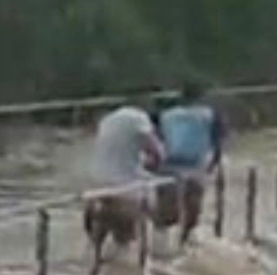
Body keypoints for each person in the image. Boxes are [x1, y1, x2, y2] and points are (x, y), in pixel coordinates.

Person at [83, 97, 164, 255]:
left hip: (97, 186)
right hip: (125, 189)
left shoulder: (107, 119)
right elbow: (158, 154)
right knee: (127, 244)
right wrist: (154, 165)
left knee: (94, 247)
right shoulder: (139, 118)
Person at [152, 81, 225, 246]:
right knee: (193, 208)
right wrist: (214, 163)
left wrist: (154, 164)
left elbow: (155, 138)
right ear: (202, 97)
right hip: (195, 167)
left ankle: (159, 249)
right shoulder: (209, 114)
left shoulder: (166, 114)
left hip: (167, 166)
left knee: (166, 213)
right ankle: (185, 244)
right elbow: (218, 141)